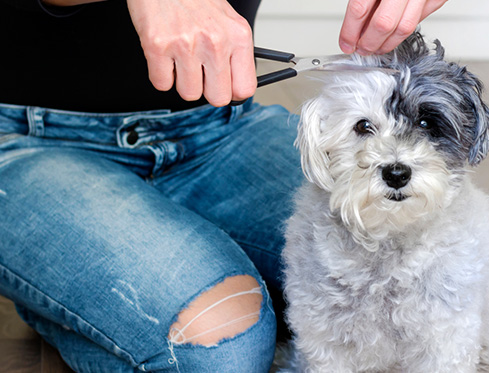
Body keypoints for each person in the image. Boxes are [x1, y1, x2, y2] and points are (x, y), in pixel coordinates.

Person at [0, 0, 446, 371]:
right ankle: (68, 298)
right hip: (24, 137)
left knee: (423, 283)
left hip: (219, 125)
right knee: (222, 349)